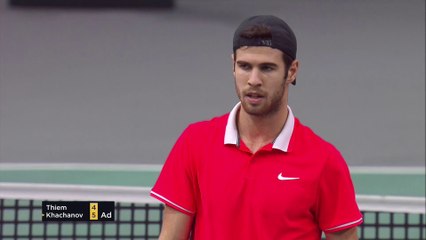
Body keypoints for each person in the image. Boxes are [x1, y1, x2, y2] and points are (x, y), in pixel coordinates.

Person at [151, 15, 363, 240]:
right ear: (233, 65)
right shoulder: (194, 143)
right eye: (244, 66)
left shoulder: (324, 161)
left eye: (267, 68)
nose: (253, 80)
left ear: (291, 71)